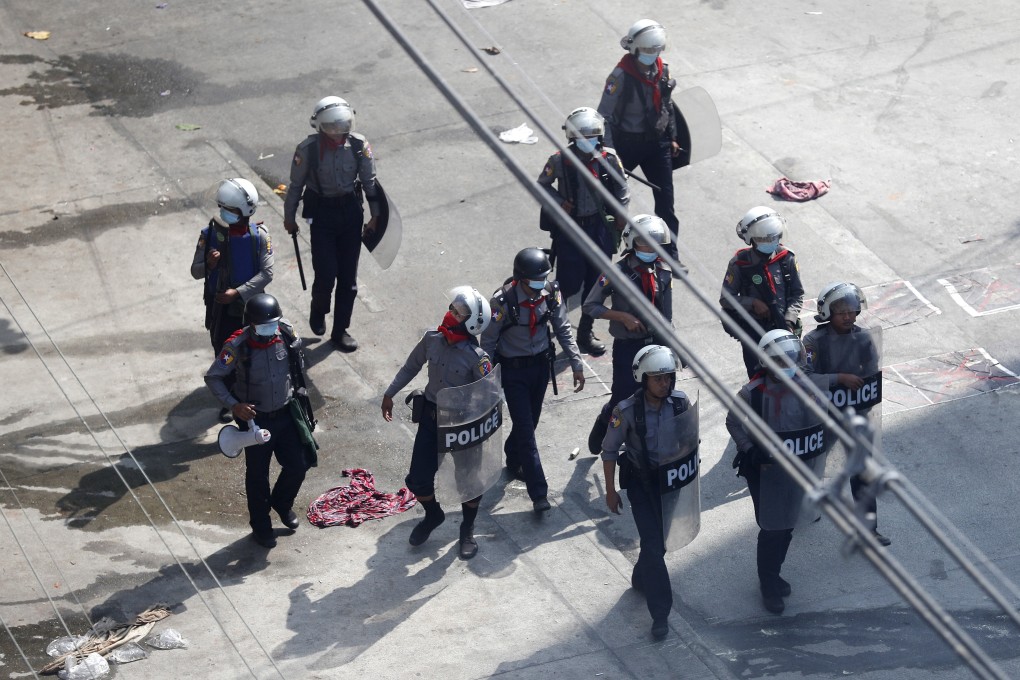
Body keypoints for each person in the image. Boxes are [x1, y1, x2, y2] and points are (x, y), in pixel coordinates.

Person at [381, 287, 494, 559]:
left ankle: (467, 530)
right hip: (432, 420)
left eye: (458, 312)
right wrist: (390, 393)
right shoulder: (432, 339)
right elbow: (411, 366)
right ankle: (433, 515)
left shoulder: (477, 358)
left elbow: (490, 395)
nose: (450, 314)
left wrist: (478, 422)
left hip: (463, 426)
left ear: (471, 322)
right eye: (452, 308)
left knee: (468, 482)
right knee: (418, 479)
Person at [726, 330, 828, 614]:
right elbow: (733, 422)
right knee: (772, 527)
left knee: (788, 524)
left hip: (797, 469)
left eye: (789, 359)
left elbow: (819, 421)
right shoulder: (752, 392)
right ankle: (768, 585)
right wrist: (749, 449)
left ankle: (773, 572)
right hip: (765, 471)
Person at [205, 294, 317, 549]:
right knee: (257, 477)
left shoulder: (286, 332)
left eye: (273, 324)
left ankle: (282, 502)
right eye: (264, 325)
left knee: (299, 465)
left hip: (287, 414)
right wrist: (234, 405)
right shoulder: (237, 346)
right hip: (256, 422)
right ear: (252, 324)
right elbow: (213, 377)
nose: (270, 329)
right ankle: (261, 526)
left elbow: (297, 366)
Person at [481, 248, 585, 512]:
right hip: (513, 372)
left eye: (543, 279)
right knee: (527, 432)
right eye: (535, 281)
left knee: (531, 421)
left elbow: (563, 328)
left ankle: (513, 456)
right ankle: (539, 493)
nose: (541, 285)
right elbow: (489, 341)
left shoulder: (550, 294)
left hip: (540, 368)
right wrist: (487, 379)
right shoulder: (502, 302)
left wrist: (576, 363)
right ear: (520, 279)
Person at [601, 344, 690, 640]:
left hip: (672, 484)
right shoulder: (625, 411)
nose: (665, 384)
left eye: (668, 378)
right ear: (643, 378)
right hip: (641, 485)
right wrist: (611, 491)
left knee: (657, 546)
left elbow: (690, 440)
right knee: (653, 547)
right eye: (658, 378)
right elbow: (609, 450)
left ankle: (641, 577)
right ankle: (661, 614)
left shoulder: (680, 403)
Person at [283, 96, 381, 353]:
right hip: (322, 216)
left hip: (350, 213)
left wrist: (375, 216)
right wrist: (289, 217)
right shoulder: (308, 150)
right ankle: (319, 309)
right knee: (326, 274)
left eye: (342, 127)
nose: (338, 134)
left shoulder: (359, 146)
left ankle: (340, 331)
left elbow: (370, 182)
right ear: (320, 126)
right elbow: (295, 187)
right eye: (332, 128)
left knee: (348, 280)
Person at [538, 106, 630, 356]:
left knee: (596, 284)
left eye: (592, 138)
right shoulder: (559, 160)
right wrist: (560, 202)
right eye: (582, 138)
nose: (588, 143)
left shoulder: (609, 158)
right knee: (567, 284)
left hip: (600, 229)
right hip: (571, 230)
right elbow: (542, 185)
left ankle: (584, 333)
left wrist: (621, 212)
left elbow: (622, 187)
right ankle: (545, 330)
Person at [803, 282, 890, 546]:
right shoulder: (812, 341)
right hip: (823, 415)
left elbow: (872, 370)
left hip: (854, 415)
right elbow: (804, 377)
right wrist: (839, 378)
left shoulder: (864, 338)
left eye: (852, 311)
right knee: (812, 463)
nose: (848, 316)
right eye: (841, 311)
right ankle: (806, 507)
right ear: (828, 312)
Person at [583, 215, 674, 454]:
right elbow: (590, 305)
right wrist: (622, 317)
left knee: (662, 392)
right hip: (628, 346)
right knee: (622, 397)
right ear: (632, 243)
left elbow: (667, 316)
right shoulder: (616, 272)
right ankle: (605, 422)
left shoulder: (663, 271)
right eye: (646, 244)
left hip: (655, 343)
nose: (652, 250)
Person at [597, 19, 681, 264]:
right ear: (634, 50)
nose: (652, 55)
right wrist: (610, 152)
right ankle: (605, 252)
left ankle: (670, 257)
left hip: (657, 145)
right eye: (646, 51)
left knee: (666, 204)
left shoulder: (662, 69)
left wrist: (673, 137)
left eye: (656, 50)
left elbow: (667, 105)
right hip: (626, 145)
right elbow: (605, 116)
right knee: (611, 199)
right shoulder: (620, 76)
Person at [191, 178, 274, 422]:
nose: (225, 214)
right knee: (223, 353)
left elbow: (266, 274)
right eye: (223, 208)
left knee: (254, 355)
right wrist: (209, 264)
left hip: (250, 310)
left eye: (231, 210)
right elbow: (195, 271)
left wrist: (237, 293)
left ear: (246, 212)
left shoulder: (260, 237)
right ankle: (231, 401)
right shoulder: (208, 235)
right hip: (220, 311)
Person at [720, 206, 804, 378]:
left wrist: (789, 319)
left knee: (792, 375)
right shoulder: (739, 264)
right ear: (752, 238)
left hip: (784, 328)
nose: (772, 241)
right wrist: (752, 303)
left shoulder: (787, 259)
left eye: (775, 237)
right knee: (759, 377)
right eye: (765, 238)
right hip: (754, 331)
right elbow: (726, 298)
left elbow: (797, 294)